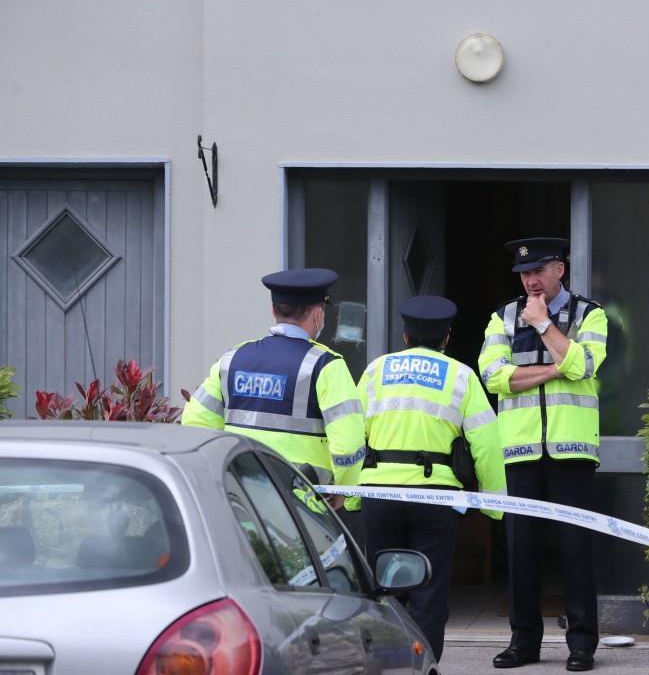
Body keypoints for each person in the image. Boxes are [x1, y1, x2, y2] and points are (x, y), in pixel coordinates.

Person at [352, 295, 506, 662]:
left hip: (380, 495)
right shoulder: (460, 376)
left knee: (383, 589)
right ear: (446, 338)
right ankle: (425, 666)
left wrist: (353, 495)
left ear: (405, 336)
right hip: (435, 500)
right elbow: (487, 440)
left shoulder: (376, 370)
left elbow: (352, 434)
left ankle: (385, 666)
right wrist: (494, 504)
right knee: (429, 593)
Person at [478, 237, 608, 672]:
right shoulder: (501, 317)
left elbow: (586, 366)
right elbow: (495, 378)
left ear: (560, 270)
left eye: (539, 270)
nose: (530, 279)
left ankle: (582, 644)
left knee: (576, 548)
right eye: (524, 273)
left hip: (572, 450)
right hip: (520, 450)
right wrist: (557, 366)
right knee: (522, 549)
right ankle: (524, 642)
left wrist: (543, 325)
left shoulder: (591, 314)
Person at [182, 268, 365, 504]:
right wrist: (344, 491)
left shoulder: (231, 359)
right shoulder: (326, 366)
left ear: (273, 311)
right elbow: (348, 445)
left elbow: (195, 424)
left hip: (240, 501)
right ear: (318, 314)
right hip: (303, 509)